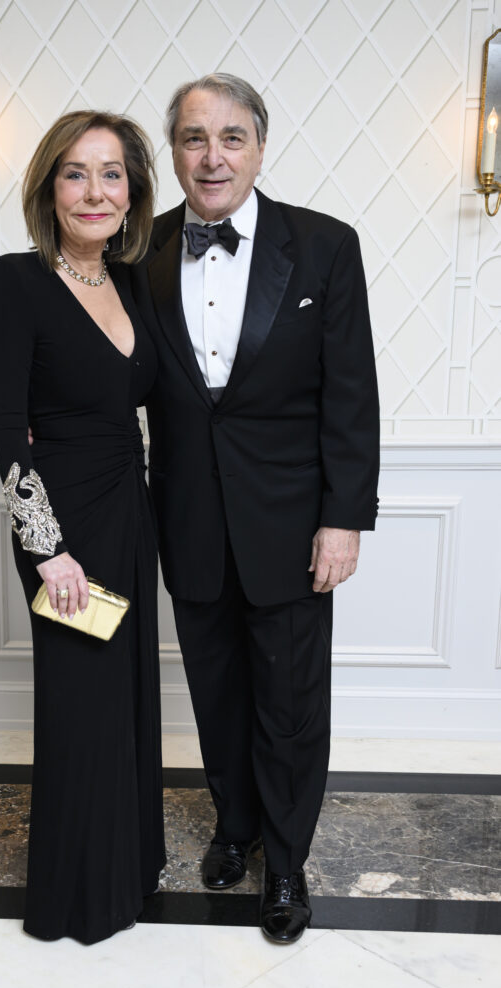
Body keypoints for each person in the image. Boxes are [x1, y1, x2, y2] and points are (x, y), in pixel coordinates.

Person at [132, 74, 380, 943]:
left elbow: (350, 395)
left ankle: (283, 862)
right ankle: (233, 825)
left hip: (293, 525)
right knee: (216, 694)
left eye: (230, 138)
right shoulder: (143, 249)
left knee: (288, 702)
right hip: (188, 520)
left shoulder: (322, 246)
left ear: (259, 147)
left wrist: (343, 519)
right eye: (194, 138)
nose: (212, 157)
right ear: (173, 152)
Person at [0, 110, 165, 945]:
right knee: (78, 701)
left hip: (130, 511)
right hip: (61, 529)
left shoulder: (131, 283)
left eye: (112, 174)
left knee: (123, 694)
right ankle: (75, 896)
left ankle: (126, 866)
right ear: (48, 189)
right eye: (75, 173)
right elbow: (8, 428)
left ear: (131, 195)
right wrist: (44, 547)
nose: (95, 191)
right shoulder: (13, 281)